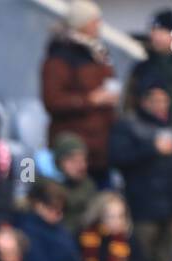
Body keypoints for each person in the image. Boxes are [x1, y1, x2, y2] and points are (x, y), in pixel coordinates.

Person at [108, 77, 172, 261]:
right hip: (144, 209)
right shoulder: (128, 125)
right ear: (144, 102)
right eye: (155, 100)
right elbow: (118, 158)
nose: (160, 105)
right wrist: (151, 148)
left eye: (164, 100)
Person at [41, 0, 117, 182]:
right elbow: (52, 100)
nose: (98, 25)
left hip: (101, 150)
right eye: (94, 20)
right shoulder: (59, 58)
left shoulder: (98, 53)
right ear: (81, 23)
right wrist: (90, 100)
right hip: (73, 148)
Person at [16, 178, 91, 261]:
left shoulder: (61, 230)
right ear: (38, 205)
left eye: (61, 210)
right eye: (54, 209)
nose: (59, 215)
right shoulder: (29, 230)